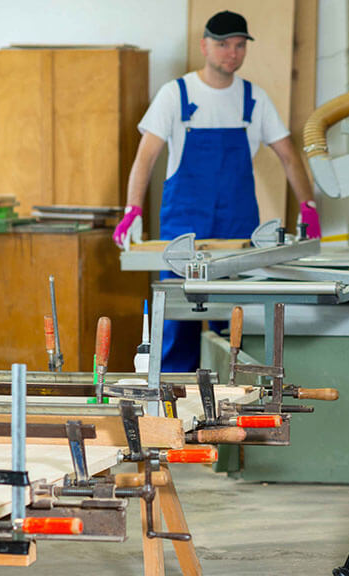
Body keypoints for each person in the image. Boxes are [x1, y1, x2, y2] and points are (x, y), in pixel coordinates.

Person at [113, 10, 320, 372]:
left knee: (236, 331)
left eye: (240, 45)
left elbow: (289, 155)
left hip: (238, 237)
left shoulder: (253, 99)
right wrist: (133, 210)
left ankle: (233, 409)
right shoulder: (175, 95)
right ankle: (173, 414)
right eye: (223, 44)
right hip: (182, 236)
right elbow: (145, 157)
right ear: (204, 45)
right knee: (178, 327)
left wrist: (308, 206)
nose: (232, 53)